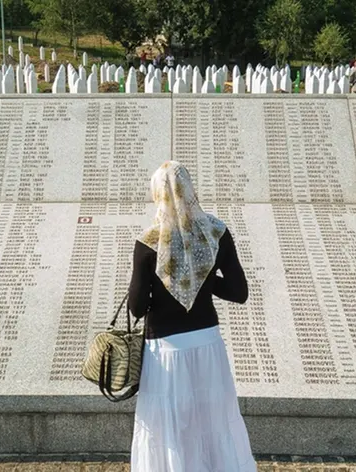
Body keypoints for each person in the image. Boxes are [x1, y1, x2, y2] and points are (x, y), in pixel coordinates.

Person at [129, 161, 256, 472]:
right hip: (207, 344)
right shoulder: (216, 232)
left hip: (166, 350)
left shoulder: (148, 242)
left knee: (169, 429)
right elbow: (239, 292)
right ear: (190, 190)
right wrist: (204, 277)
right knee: (212, 421)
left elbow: (135, 307)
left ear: (157, 193)